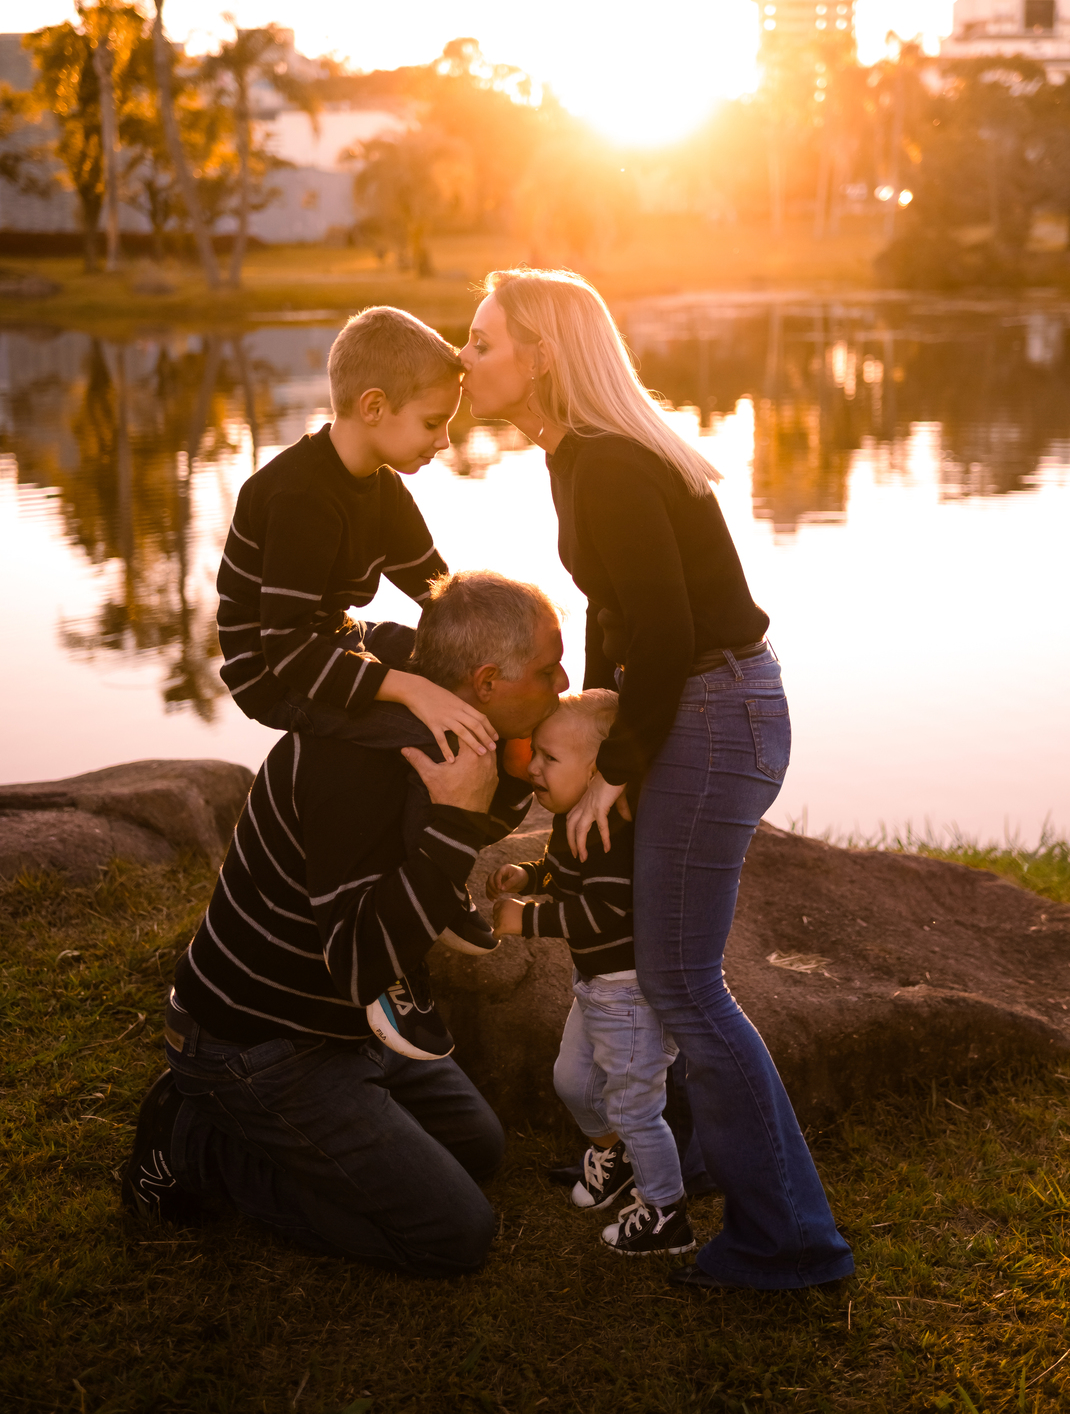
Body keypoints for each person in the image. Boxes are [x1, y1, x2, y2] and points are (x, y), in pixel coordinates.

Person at [460, 268, 855, 1295]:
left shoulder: (613, 466)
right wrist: (588, 734)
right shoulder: (574, 456)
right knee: (672, 966)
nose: (467, 358)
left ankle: (791, 1241)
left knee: (681, 982)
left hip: (714, 712)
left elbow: (673, 631)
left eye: (483, 340)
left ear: (543, 353)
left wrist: (615, 770)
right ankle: (698, 1161)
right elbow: (617, 616)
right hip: (689, 703)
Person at [120, 571, 568, 1277]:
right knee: (452, 1234)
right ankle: (194, 1146)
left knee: (481, 1148)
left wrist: (518, 776)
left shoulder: (437, 727)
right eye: (548, 671)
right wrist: (454, 824)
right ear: (484, 681)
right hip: (257, 1041)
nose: (563, 683)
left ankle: (312, 1123)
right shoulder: (356, 761)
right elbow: (360, 963)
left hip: (344, 1028)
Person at [216, 303, 503, 974]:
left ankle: (431, 870)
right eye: (433, 424)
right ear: (374, 407)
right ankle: (404, 927)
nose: (442, 442)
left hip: (336, 641)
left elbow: (440, 593)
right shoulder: (300, 497)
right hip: (276, 670)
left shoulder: (379, 486)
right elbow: (286, 650)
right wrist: (412, 691)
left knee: (444, 678)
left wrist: (491, 656)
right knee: (418, 735)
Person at [488, 691, 695, 1259]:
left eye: (549, 758)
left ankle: (665, 1212)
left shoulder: (611, 835)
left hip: (628, 994)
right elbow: (564, 878)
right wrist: (528, 877)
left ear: (598, 770)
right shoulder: (569, 820)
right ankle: (616, 1161)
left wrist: (526, 921)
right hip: (594, 988)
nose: (531, 766)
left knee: (634, 1107)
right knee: (573, 1083)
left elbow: (604, 910)